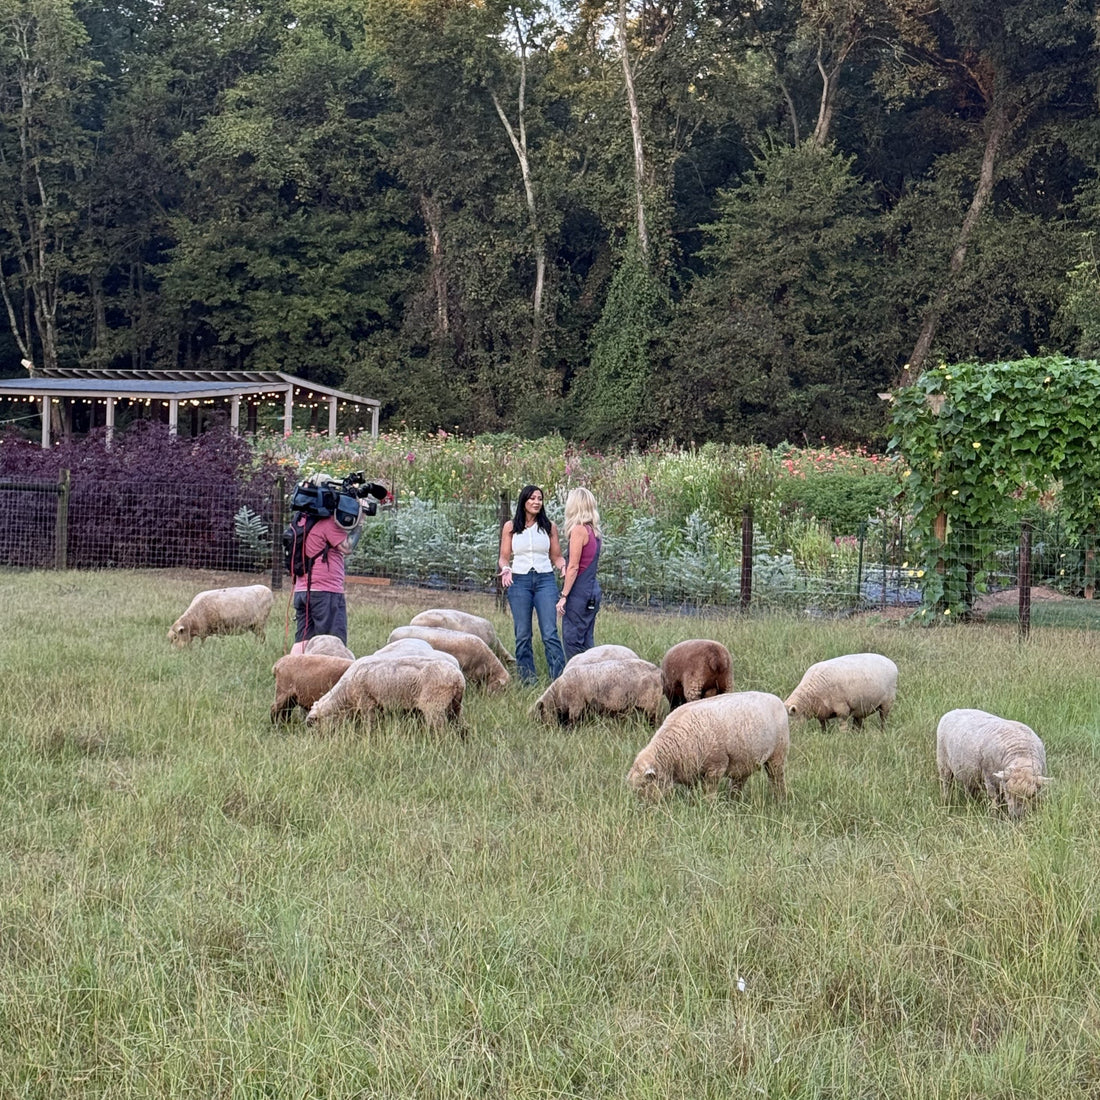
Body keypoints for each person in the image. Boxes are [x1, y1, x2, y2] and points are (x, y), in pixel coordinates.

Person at [499, 484, 566, 685]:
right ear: (524, 501)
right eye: (532, 498)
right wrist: (506, 569)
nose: (537, 502)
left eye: (540, 498)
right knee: (522, 634)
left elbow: (557, 557)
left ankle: (559, 681)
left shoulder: (549, 527)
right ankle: (528, 681)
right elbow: (503, 558)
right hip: (519, 581)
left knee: (550, 633)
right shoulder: (510, 527)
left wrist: (564, 567)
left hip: (545, 580)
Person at [293, 503, 366, 647]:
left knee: (303, 641)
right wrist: (360, 521)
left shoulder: (301, 521)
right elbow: (347, 546)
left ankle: (295, 668)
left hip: (302, 590)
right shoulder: (327, 524)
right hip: (325, 592)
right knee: (332, 643)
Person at [556, 487, 602, 660]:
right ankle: (594, 676)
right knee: (587, 639)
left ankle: (577, 678)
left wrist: (563, 596)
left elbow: (574, 567)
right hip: (592, 591)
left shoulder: (578, 530)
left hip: (579, 594)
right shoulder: (595, 532)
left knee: (572, 640)